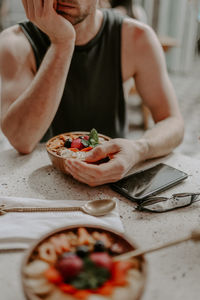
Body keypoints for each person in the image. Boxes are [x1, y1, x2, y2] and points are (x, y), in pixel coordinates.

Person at [0, 0, 184, 187]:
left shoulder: (136, 37)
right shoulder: (15, 42)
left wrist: (139, 149)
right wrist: (62, 43)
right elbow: (22, 140)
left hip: (109, 184)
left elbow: (172, 122)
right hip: (36, 183)